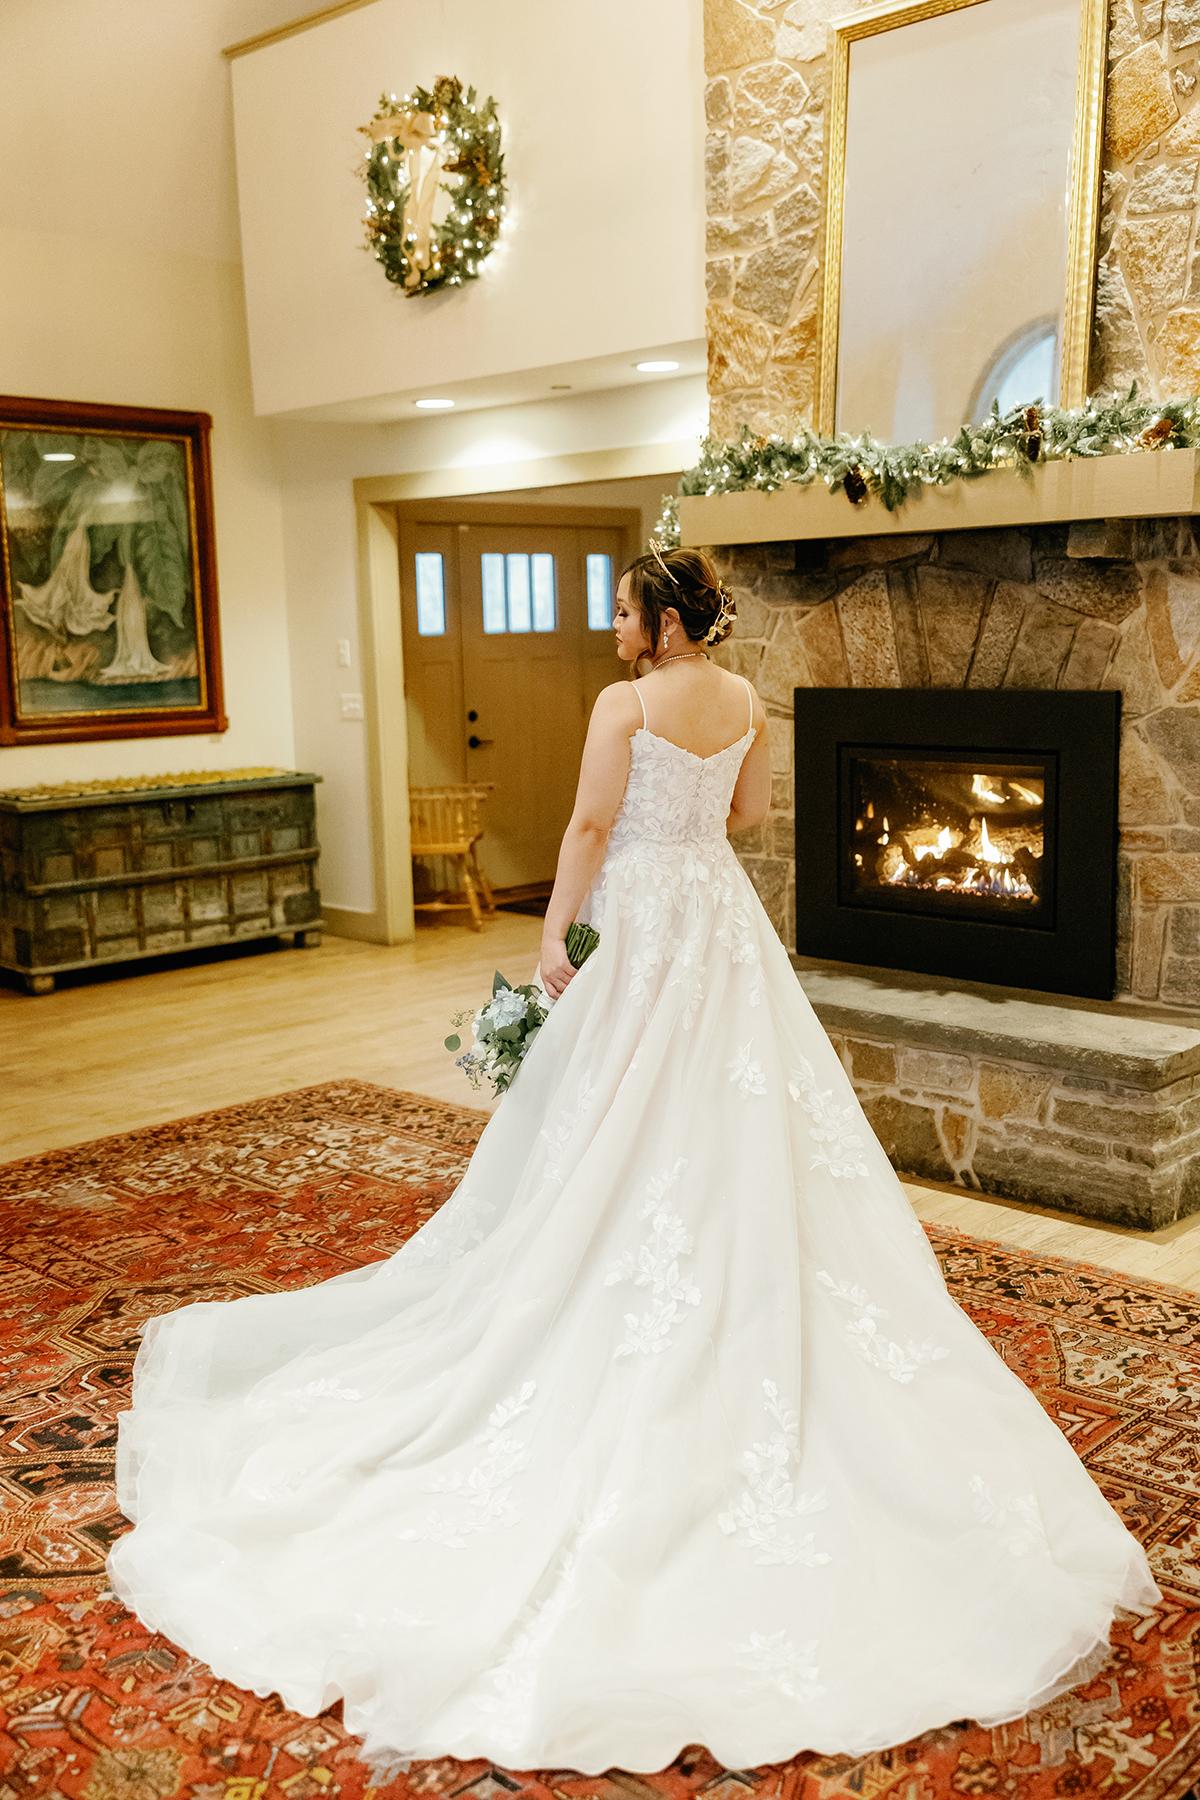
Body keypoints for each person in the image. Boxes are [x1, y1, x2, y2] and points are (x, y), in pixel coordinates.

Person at [106, 543, 1162, 1781]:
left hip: (652, 916)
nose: (610, 626)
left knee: (612, 1119)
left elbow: (594, 820)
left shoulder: (627, 705)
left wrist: (557, 932)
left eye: (621, 609)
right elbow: (755, 818)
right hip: (719, 917)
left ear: (663, 622)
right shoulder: (749, 699)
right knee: (736, 1111)